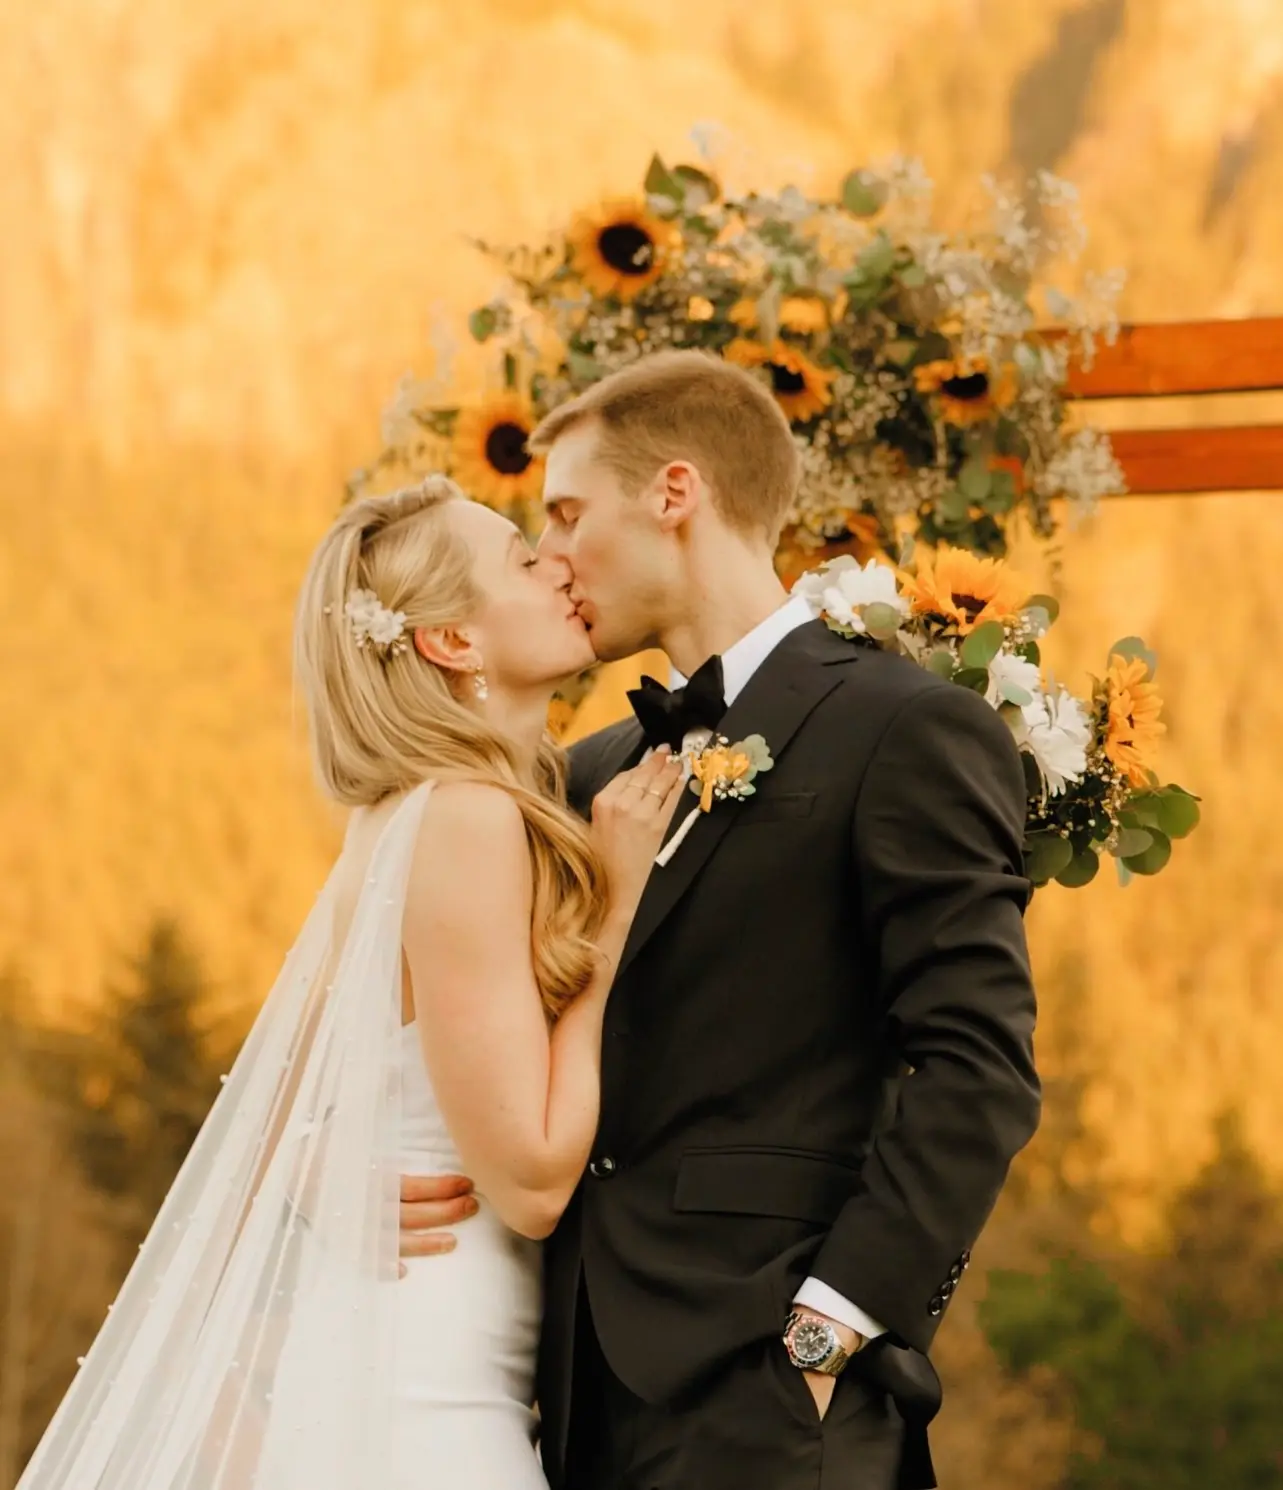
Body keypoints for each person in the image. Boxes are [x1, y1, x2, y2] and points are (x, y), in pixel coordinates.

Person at [399, 350, 1041, 1490]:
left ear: (674, 493)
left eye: (565, 511)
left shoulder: (904, 727)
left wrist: (828, 1332)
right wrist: (335, 1182)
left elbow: (977, 1065)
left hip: (783, 1408)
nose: (549, 554)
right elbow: (442, 1009)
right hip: (569, 1406)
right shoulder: (578, 775)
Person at [15, 475, 682, 1490]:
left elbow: (283, 1094)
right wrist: (618, 908)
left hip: (398, 1349)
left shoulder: (407, 814)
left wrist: (324, 1166)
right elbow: (534, 1178)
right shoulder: (463, 816)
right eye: (518, 555)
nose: (554, 562)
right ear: (451, 640)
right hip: (423, 1387)